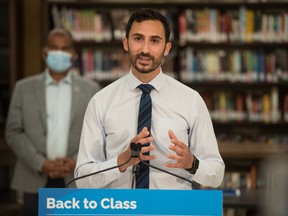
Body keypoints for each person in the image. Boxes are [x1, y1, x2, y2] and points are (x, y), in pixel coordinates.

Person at [75, 8, 225, 189]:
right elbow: (82, 179)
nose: (145, 49)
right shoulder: (100, 102)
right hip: (119, 209)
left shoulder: (191, 100)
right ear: (126, 43)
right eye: (138, 39)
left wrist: (192, 163)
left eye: (154, 41)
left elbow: (216, 175)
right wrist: (120, 162)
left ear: (166, 48)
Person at [5, 28, 100, 216]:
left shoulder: (91, 89)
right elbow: (13, 132)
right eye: (55, 48)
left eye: (65, 48)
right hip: (33, 177)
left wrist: (75, 161)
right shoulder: (23, 88)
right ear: (44, 53)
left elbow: (97, 134)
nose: (60, 53)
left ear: (73, 55)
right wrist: (41, 163)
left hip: (75, 176)